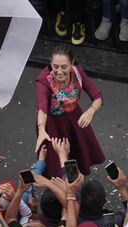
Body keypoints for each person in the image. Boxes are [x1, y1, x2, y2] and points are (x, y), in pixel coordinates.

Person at [35, 44, 105, 178]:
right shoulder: (43, 80)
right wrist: (42, 129)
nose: (59, 72)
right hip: (52, 125)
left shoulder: (77, 72)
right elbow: (42, 107)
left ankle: (75, 183)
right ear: (50, 62)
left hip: (74, 120)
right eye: (55, 66)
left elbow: (97, 96)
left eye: (64, 67)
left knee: (77, 154)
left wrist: (90, 111)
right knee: (55, 164)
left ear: (72, 64)